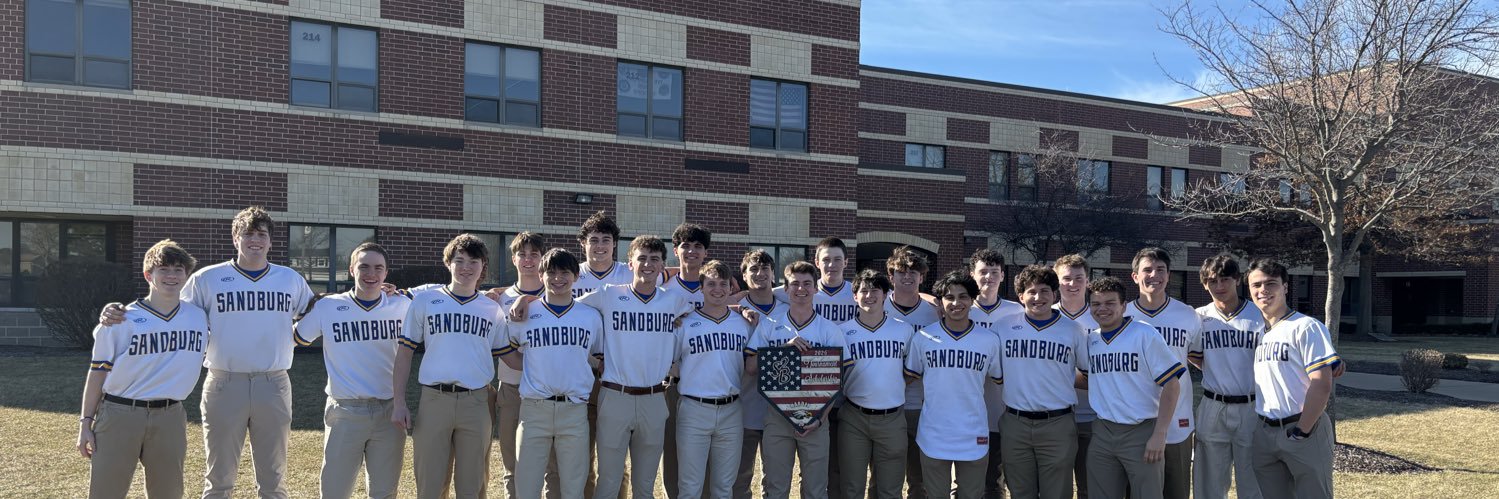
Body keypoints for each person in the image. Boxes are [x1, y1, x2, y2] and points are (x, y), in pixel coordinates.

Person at [101, 206, 315, 499]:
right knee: (219, 477)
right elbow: (169, 306)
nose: (255, 240)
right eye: (247, 234)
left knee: (274, 479)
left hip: (273, 382)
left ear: (270, 241)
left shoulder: (289, 279)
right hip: (225, 382)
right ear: (235, 238)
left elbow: (318, 310)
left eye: (261, 234)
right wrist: (116, 310)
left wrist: (380, 293)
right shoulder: (207, 278)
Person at [79, 239, 208, 499]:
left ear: (187, 275)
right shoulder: (121, 319)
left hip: (170, 415)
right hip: (120, 413)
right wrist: (85, 423)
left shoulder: (199, 316)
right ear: (148, 274)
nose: (171, 276)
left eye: (178, 270)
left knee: (168, 493)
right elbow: (97, 373)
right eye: (164, 269)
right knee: (106, 493)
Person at [573, 236, 694, 499]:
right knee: (608, 483)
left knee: (644, 487)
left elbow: (711, 311)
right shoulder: (608, 294)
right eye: (642, 258)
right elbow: (566, 306)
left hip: (654, 397)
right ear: (630, 263)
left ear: (663, 266)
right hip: (616, 396)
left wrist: (741, 309)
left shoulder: (672, 301)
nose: (647, 264)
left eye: (654, 259)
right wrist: (522, 300)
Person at [293, 242, 410, 499]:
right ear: (351, 270)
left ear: (386, 273)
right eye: (364, 267)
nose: (371, 274)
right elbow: (295, 337)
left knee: (384, 492)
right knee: (335, 491)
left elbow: (440, 293)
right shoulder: (329, 307)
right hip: (345, 410)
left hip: (389, 411)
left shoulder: (402, 305)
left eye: (378, 268)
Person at [393, 234, 505, 499]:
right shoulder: (426, 301)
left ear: (483, 266)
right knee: (430, 485)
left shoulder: (492, 309)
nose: (466, 267)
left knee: (472, 486)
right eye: (459, 260)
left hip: (476, 401)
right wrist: (399, 401)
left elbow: (509, 356)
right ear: (448, 263)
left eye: (473, 261)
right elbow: (405, 353)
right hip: (435, 399)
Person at [499, 248, 603, 499]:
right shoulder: (524, 313)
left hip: (574, 409)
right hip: (535, 409)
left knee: (572, 488)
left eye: (564, 272)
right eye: (551, 272)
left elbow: (601, 361)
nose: (558, 278)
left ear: (576, 276)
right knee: (527, 486)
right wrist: (538, 367)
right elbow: (506, 351)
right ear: (541, 275)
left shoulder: (589, 316)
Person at [745, 260, 847, 499]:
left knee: (815, 490)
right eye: (795, 284)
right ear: (786, 288)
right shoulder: (770, 326)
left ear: (815, 289)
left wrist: (821, 419)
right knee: (776, 488)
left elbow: (837, 380)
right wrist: (783, 351)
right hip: (777, 417)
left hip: (817, 419)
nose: (801, 289)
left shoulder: (829, 329)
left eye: (807, 284)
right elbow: (750, 367)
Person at [1084, 277, 1184, 499]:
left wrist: (1160, 433)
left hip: (1141, 430)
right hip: (1103, 431)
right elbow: (1093, 379)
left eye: (1110, 303)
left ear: (1124, 305)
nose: (1102, 309)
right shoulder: (1092, 340)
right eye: (1096, 304)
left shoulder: (1144, 333)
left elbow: (1171, 384)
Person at [906, 271, 1003, 499]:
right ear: (940, 302)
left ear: (972, 300)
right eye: (949, 297)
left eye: (963, 297)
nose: (956, 303)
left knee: (971, 495)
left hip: (974, 431)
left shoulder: (989, 340)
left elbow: (999, 379)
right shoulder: (923, 338)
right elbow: (908, 376)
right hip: (933, 432)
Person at [1247, 258, 1339, 499]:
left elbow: (1321, 383)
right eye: (1256, 285)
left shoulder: (1306, 327)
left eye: (1271, 284)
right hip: (1265, 431)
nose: (1263, 291)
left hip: (1302, 428)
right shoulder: (1260, 332)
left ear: (1285, 287)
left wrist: (1303, 430)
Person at [995, 265, 1088, 499]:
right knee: (1020, 491)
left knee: (1056, 492)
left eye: (1045, 291)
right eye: (1031, 291)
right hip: (1015, 421)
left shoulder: (1073, 329)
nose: (1038, 298)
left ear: (1054, 294)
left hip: (1057, 421)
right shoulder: (1003, 327)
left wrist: (1059, 379)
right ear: (1020, 296)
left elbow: (1089, 374)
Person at [1122, 248, 1201, 499]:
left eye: (1160, 270)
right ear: (1135, 276)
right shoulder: (1121, 315)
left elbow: (1196, 357)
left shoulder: (1188, 315)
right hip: (1133, 420)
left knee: (1175, 491)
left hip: (1177, 419)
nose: (1154, 275)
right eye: (1147, 269)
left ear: (1169, 276)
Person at [673, 260, 753, 499]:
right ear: (701, 287)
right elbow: (671, 364)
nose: (717, 289)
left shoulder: (744, 324)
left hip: (731, 409)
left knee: (723, 488)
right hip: (693, 408)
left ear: (731, 288)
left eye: (723, 284)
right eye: (711, 284)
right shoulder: (685, 323)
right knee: (690, 487)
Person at [1191, 255, 1263, 499]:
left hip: (1252, 404)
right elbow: (1193, 354)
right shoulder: (1199, 317)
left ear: (1238, 280)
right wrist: (1215, 368)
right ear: (1204, 284)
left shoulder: (1259, 315)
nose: (1219, 287)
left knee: (1253, 480)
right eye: (1212, 281)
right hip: (1213, 403)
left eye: (1225, 280)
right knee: (1208, 480)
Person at [839, 269, 913, 499]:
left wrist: (887, 387)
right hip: (854, 417)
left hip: (892, 417)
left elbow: (909, 373)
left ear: (885, 294)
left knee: (890, 489)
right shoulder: (842, 331)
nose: (869, 296)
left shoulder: (903, 329)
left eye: (875, 290)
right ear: (854, 296)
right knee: (852, 487)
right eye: (863, 291)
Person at [967, 248, 1022, 499]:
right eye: (983, 272)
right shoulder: (960, 309)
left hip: (1006, 408)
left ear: (1003, 276)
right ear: (972, 274)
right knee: (971, 481)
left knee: (1004, 481)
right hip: (970, 410)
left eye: (994, 272)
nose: (988, 277)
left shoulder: (1017, 312)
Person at [734, 249, 780, 499]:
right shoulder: (733, 308)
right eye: (753, 269)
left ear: (774, 274)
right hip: (744, 403)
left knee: (775, 478)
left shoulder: (788, 307)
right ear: (744, 275)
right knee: (740, 476)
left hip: (779, 407)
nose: (760, 274)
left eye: (765, 269)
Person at [1052, 253, 1098, 499]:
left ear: (1088, 281)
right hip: (1055, 416)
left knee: (1089, 487)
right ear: (1057, 281)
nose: (1072, 284)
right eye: (1066, 278)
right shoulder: (1043, 314)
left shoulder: (1100, 315)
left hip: (1094, 415)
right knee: (1054, 488)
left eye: (1078, 278)